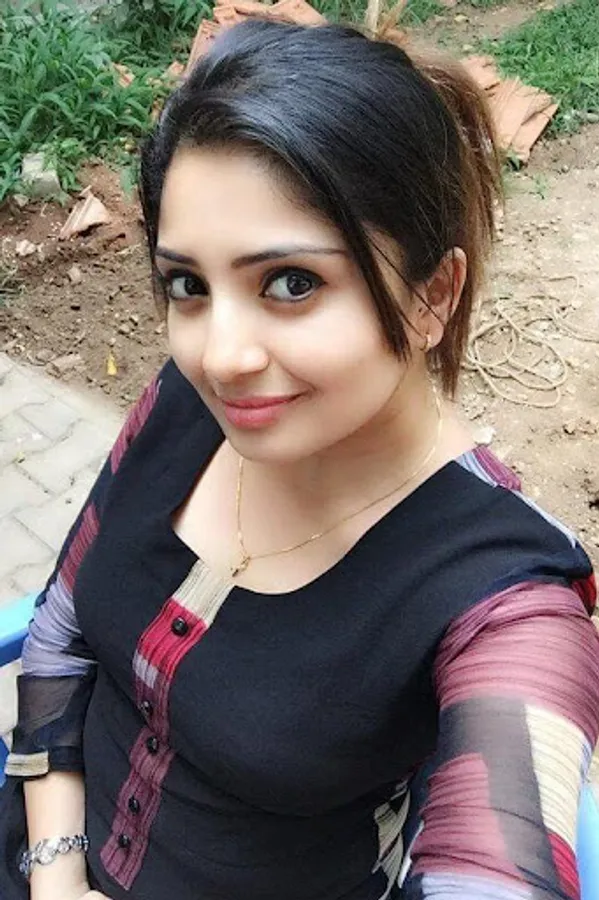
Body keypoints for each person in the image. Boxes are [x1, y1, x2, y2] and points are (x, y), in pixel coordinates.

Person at [1, 18, 598, 900]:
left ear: (432, 295)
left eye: (290, 283)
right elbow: (62, 629)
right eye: (188, 285)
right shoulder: (184, 405)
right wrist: (56, 873)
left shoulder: (505, 601)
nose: (221, 355)